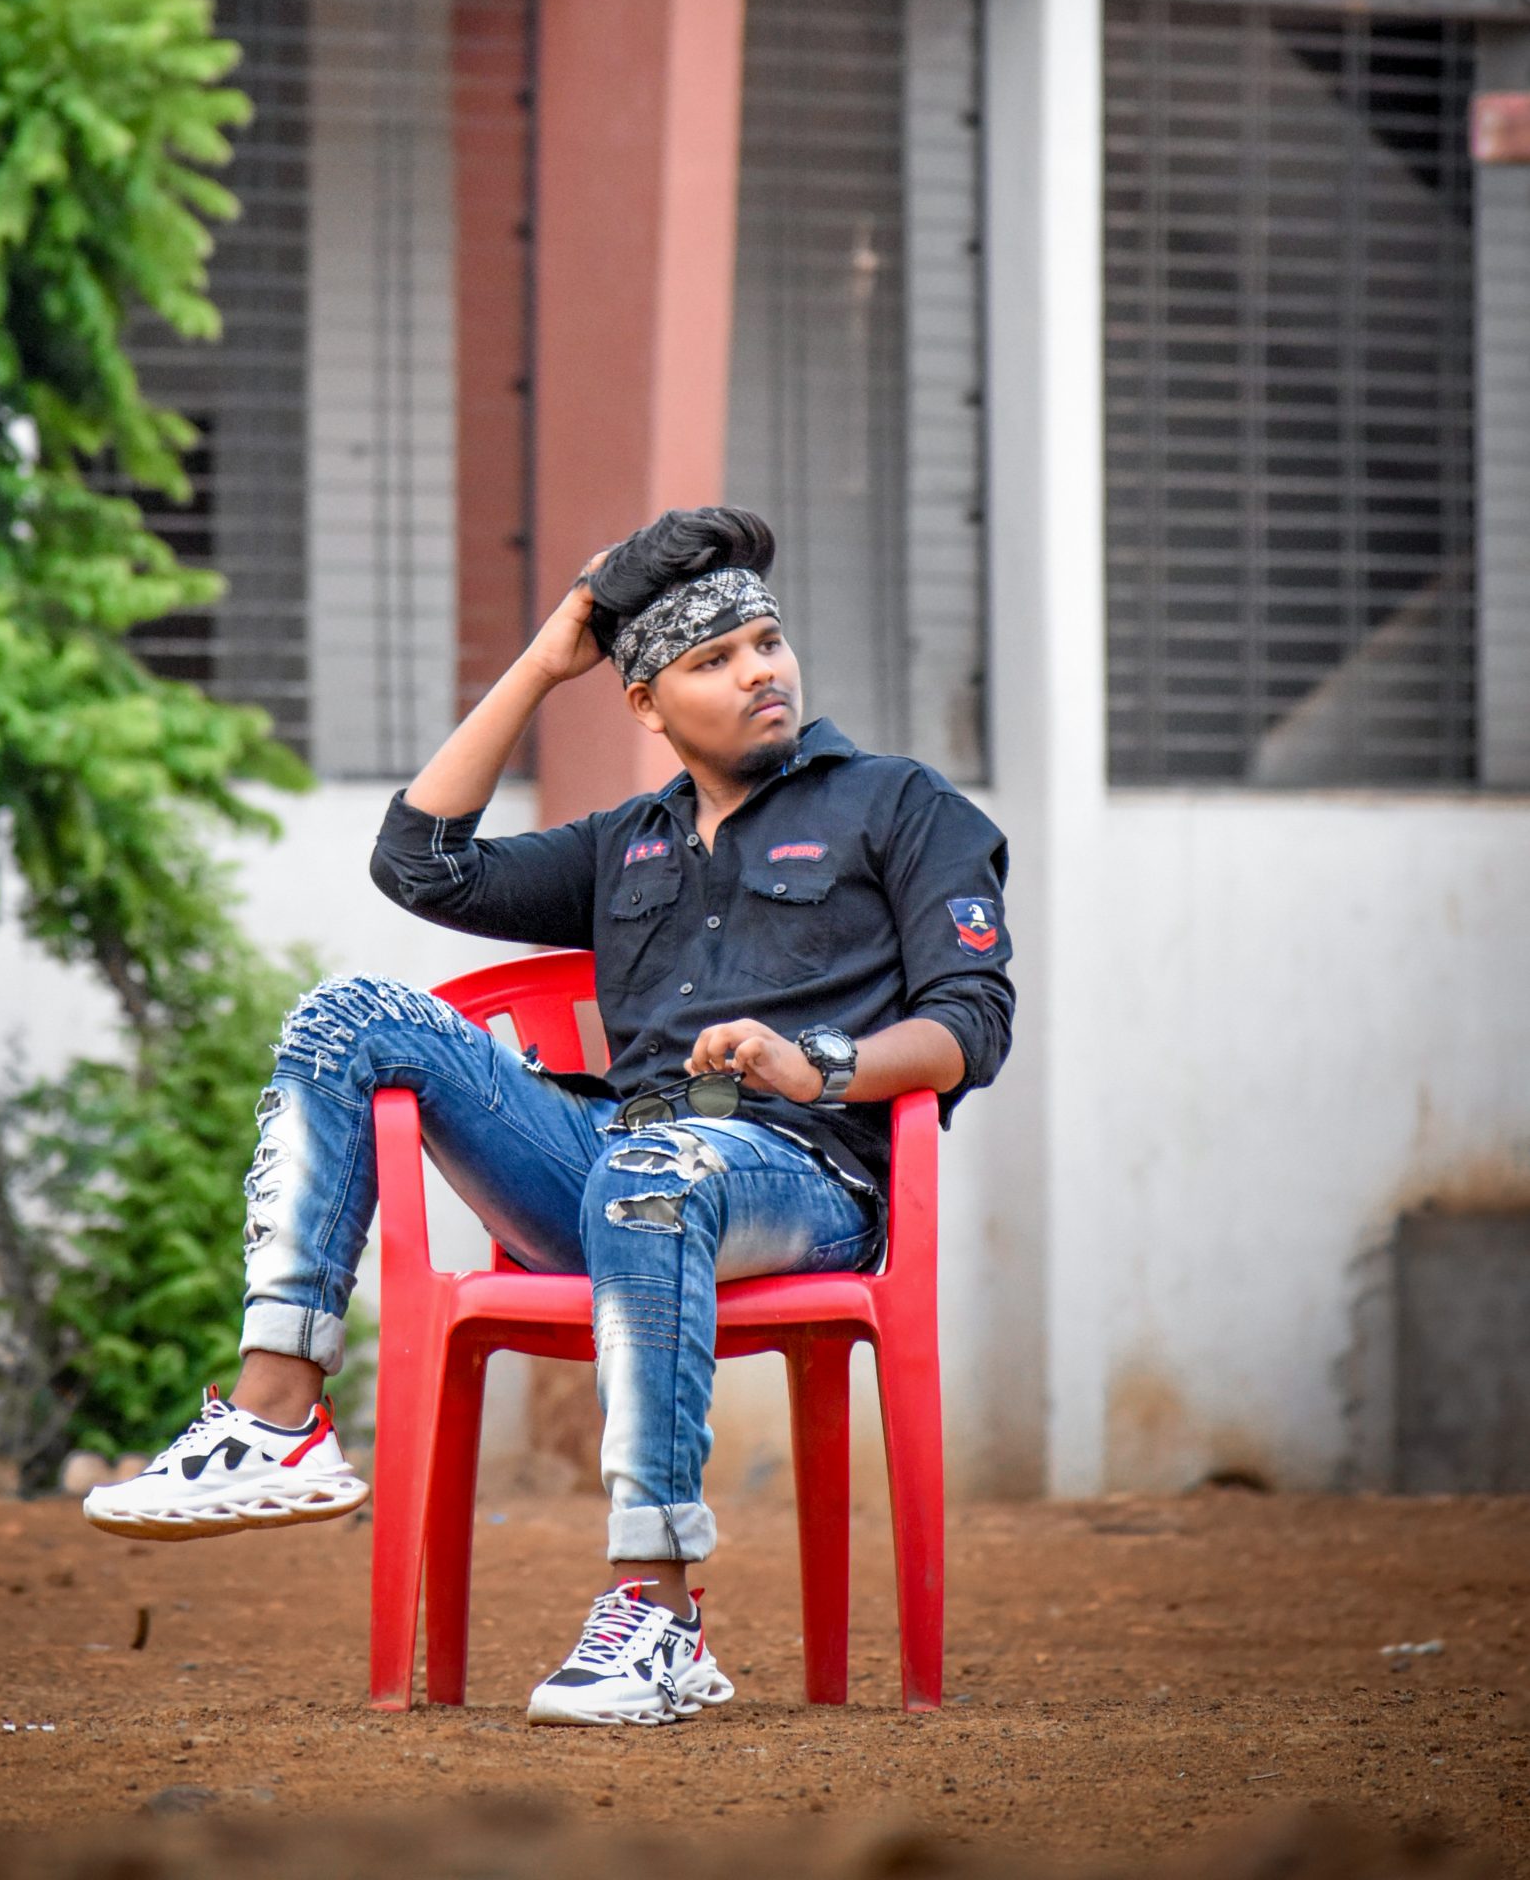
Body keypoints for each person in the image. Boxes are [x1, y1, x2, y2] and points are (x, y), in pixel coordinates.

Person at [84, 508, 1013, 1726]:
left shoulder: (898, 805)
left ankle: (659, 1614)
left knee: (661, 1171)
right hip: (607, 1165)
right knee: (348, 1012)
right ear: (647, 703)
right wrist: (544, 657)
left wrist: (815, 1062)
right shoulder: (626, 846)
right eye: (713, 660)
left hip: (802, 1180)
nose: (759, 672)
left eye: (766, 642)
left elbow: (973, 1021)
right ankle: (278, 1417)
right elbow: (421, 864)